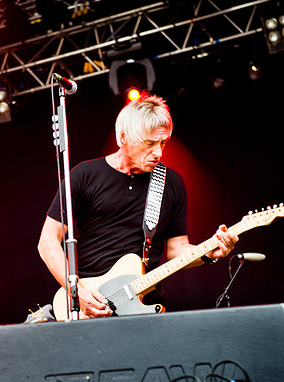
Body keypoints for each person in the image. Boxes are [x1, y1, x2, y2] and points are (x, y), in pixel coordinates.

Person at [37, 93, 238, 318]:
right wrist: (76, 293)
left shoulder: (171, 183)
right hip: (89, 306)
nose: (159, 153)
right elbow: (47, 242)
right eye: (150, 144)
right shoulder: (85, 175)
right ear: (123, 137)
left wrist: (211, 251)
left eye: (162, 143)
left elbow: (177, 249)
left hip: (143, 307)